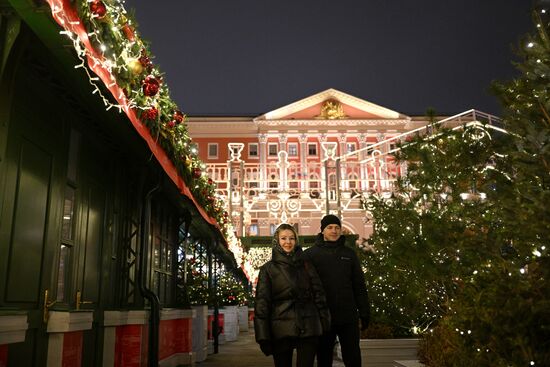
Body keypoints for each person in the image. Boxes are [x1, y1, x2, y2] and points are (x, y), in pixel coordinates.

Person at [254, 223, 331, 367]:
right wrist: (263, 335)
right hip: (281, 328)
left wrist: (325, 324)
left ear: (296, 240)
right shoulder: (268, 269)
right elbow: (262, 303)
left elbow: (319, 294)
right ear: (277, 241)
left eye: (291, 238)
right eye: (283, 238)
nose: (288, 242)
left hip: (308, 325)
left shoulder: (307, 265)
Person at [302, 214, 370, 367]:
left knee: (352, 356)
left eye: (337, 228)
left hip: (348, 316)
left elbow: (358, 285)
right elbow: (305, 287)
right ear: (322, 230)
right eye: (330, 227)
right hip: (324, 317)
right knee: (324, 357)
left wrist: (364, 312)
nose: (334, 231)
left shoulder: (349, 254)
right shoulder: (310, 255)